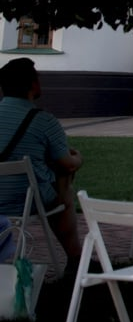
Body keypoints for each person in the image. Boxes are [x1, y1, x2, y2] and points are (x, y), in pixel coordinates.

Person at [0, 59, 82, 264]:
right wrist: (78, 158)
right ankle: (75, 258)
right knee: (63, 179)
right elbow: (67, 163)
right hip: (25, 201)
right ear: (33, 84)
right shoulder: (43, 120)